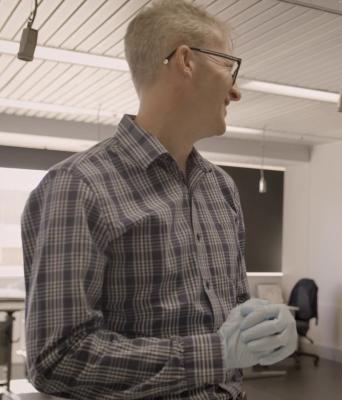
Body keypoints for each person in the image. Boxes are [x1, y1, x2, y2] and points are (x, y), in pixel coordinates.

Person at [21, 1, 296, 399]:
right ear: (186, 60)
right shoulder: (78, 186)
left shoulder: (220, 189)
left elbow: (233, 316)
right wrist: (216, 352)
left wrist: (263, 328)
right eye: (227, 66)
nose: (235, 90)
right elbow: (58, 359)